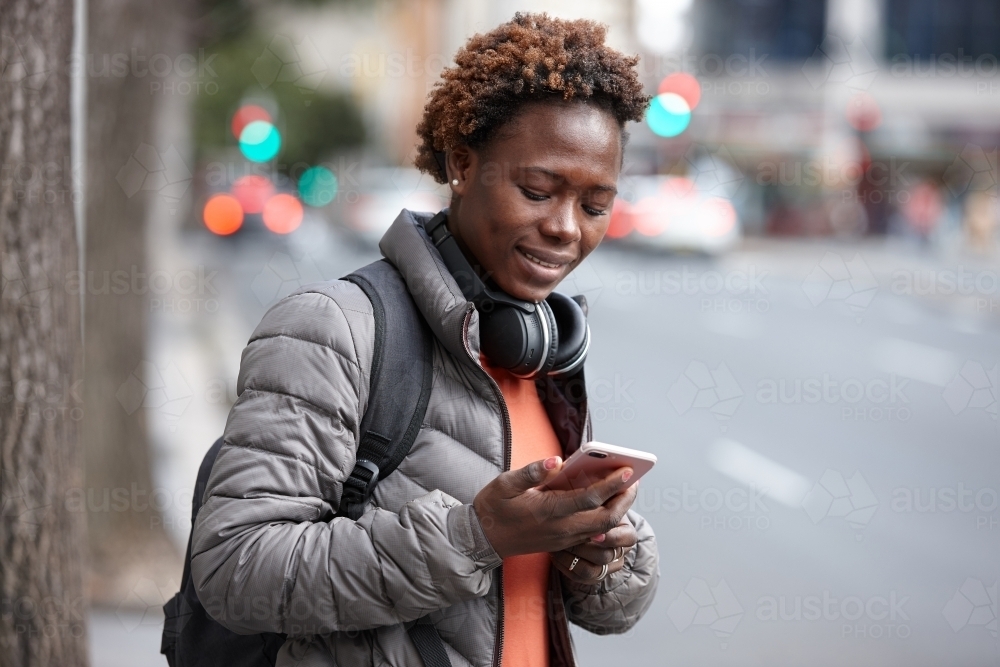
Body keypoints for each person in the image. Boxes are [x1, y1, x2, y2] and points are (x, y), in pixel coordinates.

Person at [191, 12, 659, 667]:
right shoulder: (334, 328)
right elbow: (235, 566)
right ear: (462, 163)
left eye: (593, 205)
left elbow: (604, 607)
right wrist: (476, 535)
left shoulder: (544, 351)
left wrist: (600, 553)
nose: (565, 228)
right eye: (536, 190)